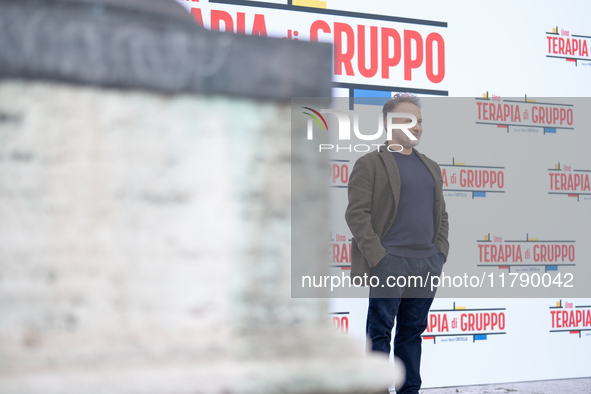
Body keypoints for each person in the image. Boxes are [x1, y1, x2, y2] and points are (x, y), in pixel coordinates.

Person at [345, 93, 449, 394]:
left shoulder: (431, 166)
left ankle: (409, 391)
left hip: (427, 262)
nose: (417, 127)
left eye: (420, 121)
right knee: (380, 334)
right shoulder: (371, 164)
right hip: (389, 262)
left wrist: (440, 252)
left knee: (412, 334)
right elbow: (356, 214)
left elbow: (441, 213)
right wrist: (378, 256)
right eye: (409, 120)